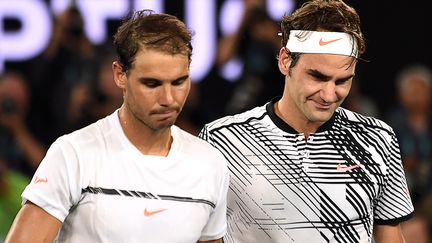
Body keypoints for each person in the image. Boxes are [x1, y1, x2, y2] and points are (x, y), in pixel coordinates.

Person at [5, 10, 229, 243]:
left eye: (179, 82)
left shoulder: (209, 163)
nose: (168, 99)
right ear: (120, 74)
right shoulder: (73, 155)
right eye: (151, 83)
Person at [199, 0, 414, 242]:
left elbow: (391, 235)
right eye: (317, 76)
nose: (329, 95)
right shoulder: (221, 140)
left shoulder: (378, 139)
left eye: (342, 81)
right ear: (285, 61)